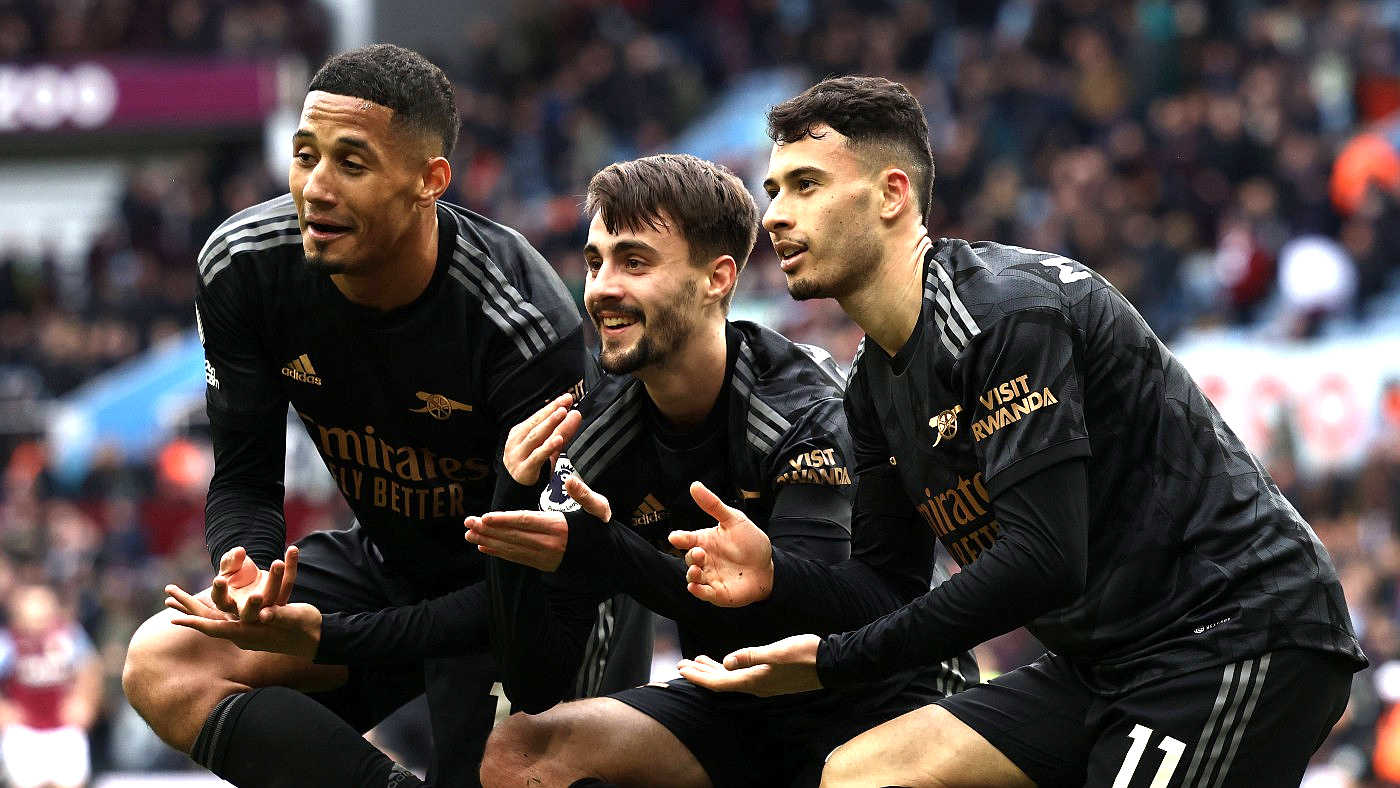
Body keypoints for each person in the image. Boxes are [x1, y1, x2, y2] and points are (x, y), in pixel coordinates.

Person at [670, 75, 1368, 787]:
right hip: (1101, 661)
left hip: (1233, 632)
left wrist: (834, 662)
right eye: (773, 190)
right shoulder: (873, 383)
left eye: (805, 185)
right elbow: (887, 585)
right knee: (860, 774)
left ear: (891, 195)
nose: (774, 216)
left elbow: (1043, 558)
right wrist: (778, 574)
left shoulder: (1003, 317)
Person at [121, 43, 627, 788]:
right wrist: (249, 568)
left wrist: (334, 637)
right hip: (389, 567)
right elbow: (245, 479)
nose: (315, 188)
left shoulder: (520, 321)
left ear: (430, 182)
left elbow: (544, 571)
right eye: (304, 156)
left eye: (351, 164)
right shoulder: (245, 266)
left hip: (524, 601)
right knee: (163, 662)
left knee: (507, 771)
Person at [463, 153, 976, 788]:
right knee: (519, 752)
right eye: (595, 263)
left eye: (634, 262)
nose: (600, 288)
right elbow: (536, 682)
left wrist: (611, 553)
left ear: (717, 277)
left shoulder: (805, 410)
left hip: (879, 699)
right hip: (734, 705)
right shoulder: (594, 428)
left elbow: (800, 630)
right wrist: (510, 507)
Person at [0, 584, 104, 788]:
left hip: (64, 728)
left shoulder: (69, 636)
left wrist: (85, 702)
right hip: (23, 730)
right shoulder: (7, 641)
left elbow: (90, 667)